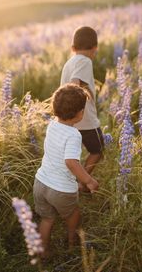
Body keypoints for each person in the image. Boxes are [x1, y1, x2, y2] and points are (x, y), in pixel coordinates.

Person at [33, 83, 99, 258]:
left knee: (47, 219)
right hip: (60, 189)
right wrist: (88, 181)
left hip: (40, 182)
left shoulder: (52, 125)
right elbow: (71, 162)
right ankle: (72, 242)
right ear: (79, 114)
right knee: (73, 214)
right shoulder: (74, 135)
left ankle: (43, 251)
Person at [60, 26, 104, 180]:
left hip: (69, 119)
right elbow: (75, 83)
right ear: (94, 49)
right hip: (85, 119)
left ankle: (71, 180)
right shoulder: (85, 61)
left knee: (72, 153)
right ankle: (82, 182)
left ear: (73, 48)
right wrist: (86, 96)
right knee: (97, 150)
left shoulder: (68, 63)